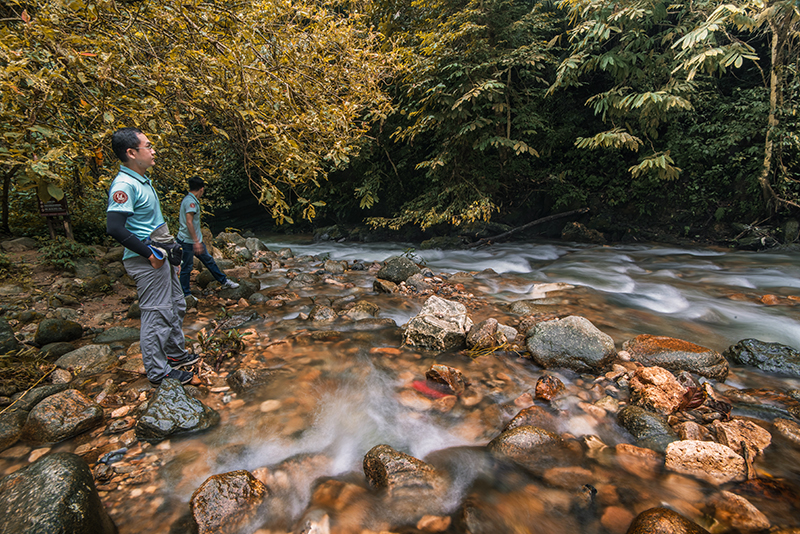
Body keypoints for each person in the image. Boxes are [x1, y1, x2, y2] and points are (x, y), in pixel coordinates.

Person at [106, 127, 198, 387]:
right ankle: (159, 373)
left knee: (176, 305)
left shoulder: (141, 180)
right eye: (148, 146)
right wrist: (150, 255)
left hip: (161, 256)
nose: (153, 150)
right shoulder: (124, 185)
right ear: (132, 152)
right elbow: (114, 226)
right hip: (148, 260)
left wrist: (169, 258)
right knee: (156, 314)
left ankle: (175, 354)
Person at [177, 177, 239, 297]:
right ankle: (186, 294)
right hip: (188, 242)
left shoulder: (189, 199)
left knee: (209, 261)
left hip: (194, 240)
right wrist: (196, 242)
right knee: (186, 268)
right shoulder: (191, 202)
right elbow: (189, 222)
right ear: (201, 189)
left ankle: (224, 281)